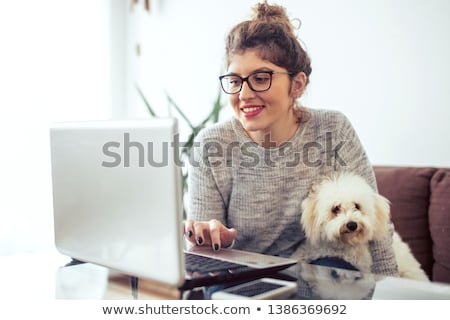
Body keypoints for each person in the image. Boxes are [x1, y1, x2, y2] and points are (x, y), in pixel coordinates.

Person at [183, 1, 398, 278]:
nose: (244, 95)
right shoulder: (210, 146)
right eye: (235, 81)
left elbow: (377, 226)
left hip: (318, 269)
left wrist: (394, 296)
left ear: (297, 85)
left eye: (261, 78)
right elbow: (201, 257)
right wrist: (210, 240)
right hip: (241, 273)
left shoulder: (333, 129)